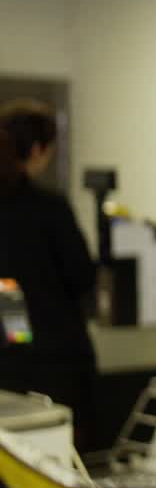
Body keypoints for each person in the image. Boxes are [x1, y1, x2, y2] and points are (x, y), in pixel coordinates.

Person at [0, 100, 97, 450]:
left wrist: (18, 338)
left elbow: (6, 288)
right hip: (60, 362)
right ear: (39, 150)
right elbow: (81, 276)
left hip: (12, 362)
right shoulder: (50, 208)